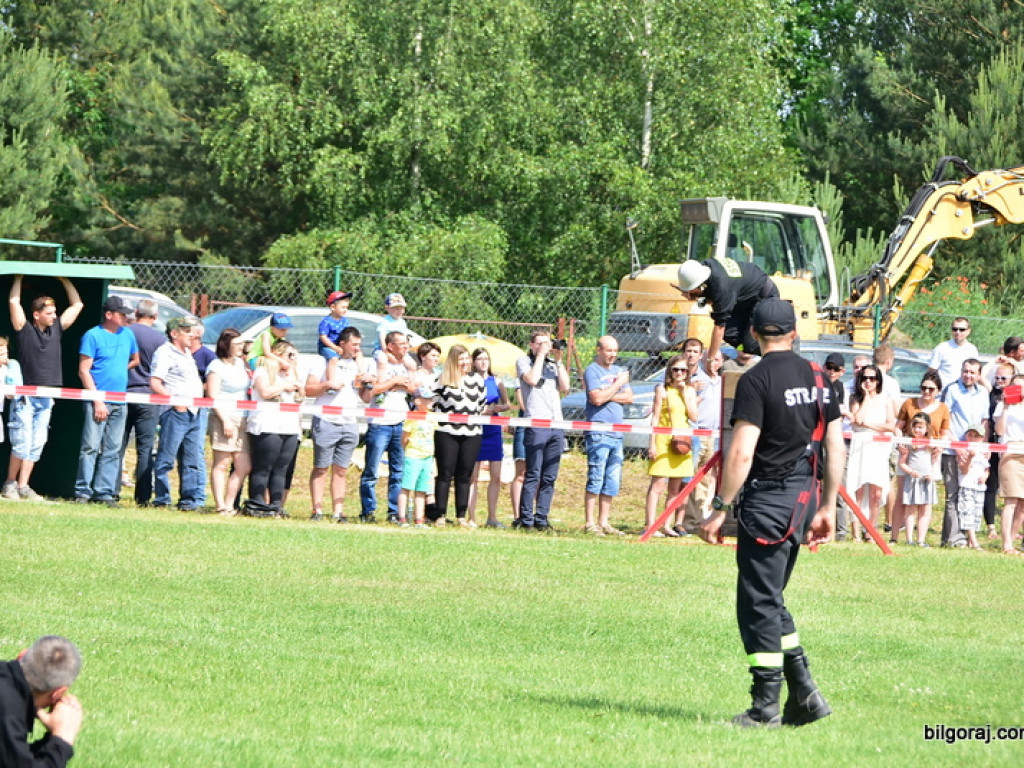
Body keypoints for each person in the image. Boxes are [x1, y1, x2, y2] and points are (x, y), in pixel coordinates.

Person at [699, 297, 844, 729]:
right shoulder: (820, 378)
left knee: (758, 603)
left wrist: (719, 508)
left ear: (755, 334)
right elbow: (835, 446)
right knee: (770, 597)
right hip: (803, 498)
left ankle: (765, 708)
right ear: (794, 333)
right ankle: (805, 695)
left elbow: (742, 453)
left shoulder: (756, 379)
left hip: (768, 501)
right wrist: (828, 506)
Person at [4, 275, 84, 500]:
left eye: (55, 312)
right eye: (49, 313)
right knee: (22, 442)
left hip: (47, 397)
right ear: (36, 314)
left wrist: (64, 280)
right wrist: (18, 277)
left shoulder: (56, 329)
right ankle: (9, 483)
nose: (54, 316)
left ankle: (24, 486)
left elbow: (77, 305)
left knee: (37, 443)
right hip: (26, 397)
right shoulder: (24, 329)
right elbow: (14, 302)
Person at [74, 295, 139, 506]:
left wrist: (119, 370)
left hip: (120, 401)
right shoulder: (92, 336)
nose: (126, 318)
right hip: (98, 400)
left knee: (113, 449)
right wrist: (97, 401)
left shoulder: (128, 334)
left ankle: (104, 492)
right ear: (109, 315)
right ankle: (83, 492)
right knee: (90, 447)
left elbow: (135, 359)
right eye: (122, 314)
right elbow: (84, 370)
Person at [306, 326, 372, 522]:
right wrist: (326, 385)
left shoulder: (360, 365)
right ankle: (317, 510)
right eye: (354, 344)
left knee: (341, 469)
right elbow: (308, 389)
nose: (357, 349)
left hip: (349, 422)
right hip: (326, 419)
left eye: (359, 345)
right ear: (342, 344)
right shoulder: (323, 361)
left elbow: (366, 398)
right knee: (321, 467)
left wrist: (369, 383)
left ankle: (338, 511)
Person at [514, 331, 570, 531]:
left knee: (549, 476)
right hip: (537, 423)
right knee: (533, 474)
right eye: (540, 343)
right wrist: (539, 355)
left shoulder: (552, 365)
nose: (545, 346)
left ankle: (542, 518)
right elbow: (531, 379)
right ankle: (526, 519)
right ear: (532, 345)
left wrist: (559, 360)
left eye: (548, 343)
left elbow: (565, 386)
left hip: (556, 424)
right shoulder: (524, 361)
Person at [150, 315, 207, 511]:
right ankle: (162, 498)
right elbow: (155, 382)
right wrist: (175, 402)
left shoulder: (187, 353)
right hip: (176, 413)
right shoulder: (165, 352)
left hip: (194, 412)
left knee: (191, 459)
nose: (192, 335)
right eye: (187, 331)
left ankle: (188, 501)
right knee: (166, 458)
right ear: (174, 334)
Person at [675, 256, 779, 363]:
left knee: (750, 344)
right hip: (743, 298)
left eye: (690, 291)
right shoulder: (705, 268)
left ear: (700, 285)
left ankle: (778, 354)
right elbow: (711, 296)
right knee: (730, 333)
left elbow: (719, 327)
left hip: (764, 295)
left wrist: (710, 359)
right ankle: (746, 349)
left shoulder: (721, 288)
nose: (688, 294)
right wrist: (696, 295)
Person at [0, 635, 83, 767]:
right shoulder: (9, 714)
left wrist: (51, 738)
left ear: (21, 655)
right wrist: (62, 738)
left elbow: (12, 759)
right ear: (57, 693)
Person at [429, 345, 487, 527]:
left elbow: (482, 404)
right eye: (461, 359)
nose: (465, 362)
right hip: (447, 431)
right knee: (445, 474)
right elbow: (433, 403)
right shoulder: (442, 379)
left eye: (467, 358)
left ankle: (461, 516)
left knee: (465, 474)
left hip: (472, 432)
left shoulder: (477, 379)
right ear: (453, 361)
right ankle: (440, 514)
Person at [245, 339, 304, 516]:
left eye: (295, 355)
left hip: (289, 426)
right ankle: (257, 503)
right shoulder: (263, 371)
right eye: (289, 355)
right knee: (264, 466)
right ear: (277, 355)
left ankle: (276, 505)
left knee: (282, 468)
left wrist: (298, 387)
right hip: (267, 424)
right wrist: (284, 386)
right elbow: (265, 392)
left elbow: (300, 398)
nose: (293, 359)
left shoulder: (291, 374)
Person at [360, 330, 414, 523]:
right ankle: (368, 510)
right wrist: (394, 382)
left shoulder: (406, 364)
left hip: (400, 422)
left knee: (398, 471)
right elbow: (371, 391)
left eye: (407, 344)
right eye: (401, 344)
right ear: (390, 346)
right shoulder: (376, 362)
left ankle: (394, 511)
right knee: (372, 471)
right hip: (379, 423)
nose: (406, 347)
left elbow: (412, 388)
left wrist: (396, 384)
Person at [582, 335, 633, 536]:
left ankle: (604, 522)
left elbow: (629, 397)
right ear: (599, 350)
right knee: (596, 475)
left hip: (617, 433)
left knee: (612, 479)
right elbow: (596, 398)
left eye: (615, 351)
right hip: (599, 431)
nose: (612, 354)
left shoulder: (618, 370)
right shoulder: (592, 371)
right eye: (609, 350)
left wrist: (607, 394)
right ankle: (589, 522)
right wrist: (617, 384)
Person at [892, 371, 951, 543]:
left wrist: (940, 446)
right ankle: (895, 537)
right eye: (924, 387)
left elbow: (945, 432)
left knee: (926, 501)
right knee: (903, 497)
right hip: (909, 455)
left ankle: (921, 539)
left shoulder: (943, 408)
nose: (926, 392)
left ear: (938, 391)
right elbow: (898, 427)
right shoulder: (909, 403)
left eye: (931, 389)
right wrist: (901, 442)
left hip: (930, 457)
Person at [644, 355, 698, 537]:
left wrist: (684, 393)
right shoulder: (662, 390)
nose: (680, 373)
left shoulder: (690, 391)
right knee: (658, 485)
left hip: (682, 441)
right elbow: (655, 417)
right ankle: (650, 524)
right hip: (663, 439)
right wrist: (652, 443)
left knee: (675, 487)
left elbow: (694, 416)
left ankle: (666, 524)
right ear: (670, 371)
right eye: (676, 369)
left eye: (683, 370)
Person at [121, 299, 167, 506]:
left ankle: (111, 491)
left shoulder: (124, 333)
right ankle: (143, 496)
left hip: (123, 393)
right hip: (148, 396)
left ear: (136, 312)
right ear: (155, 317)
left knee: (117, 446)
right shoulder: (159, 340)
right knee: (145, 448)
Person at [939, 359, 989, 547]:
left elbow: (984, 422)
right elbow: (945, 421)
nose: (968, 375)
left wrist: (985, 447)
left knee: (971, 494)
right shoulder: (952, 390)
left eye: (972, 372)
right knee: (953, 494)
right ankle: (953, 538)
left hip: (975, 452)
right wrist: (956, 446)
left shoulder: (983, 393)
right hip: (953, 450)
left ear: (979, 375)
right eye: (965, 371)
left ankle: (969, 536)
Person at [845, 363, 897, 539]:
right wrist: (866, 397)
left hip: (878, 448)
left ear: (878, 380)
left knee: (876, 493)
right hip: (860, 446)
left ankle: (870, 530)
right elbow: (857, 419)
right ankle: (856, 532)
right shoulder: (855, 399)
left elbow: (890, 426)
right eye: (865, 378)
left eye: (872, 378)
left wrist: (868, 425)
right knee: (858, 490)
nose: (868, 381)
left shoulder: (886, 400)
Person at [206, 328, 252, 515]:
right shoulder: (216, 366)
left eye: (242, 343)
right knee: (222, 463)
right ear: (226, 345)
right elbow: (213, 395)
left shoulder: (241, 364)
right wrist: (224, 420)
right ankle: (220, 505)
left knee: (244, 466)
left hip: (243, 417)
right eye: (237, 344)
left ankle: (230, 503)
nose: (241, 347)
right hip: (223, 417)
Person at [467, 348, 511, 528]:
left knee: (496, 475)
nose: (484, 362)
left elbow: (507, 404)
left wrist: (499, 408)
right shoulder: (468, 380)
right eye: (480, 359)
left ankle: (492, 517)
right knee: (473, 477)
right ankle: (471, 517)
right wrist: (481, 411)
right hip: (476, 428)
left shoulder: (497, 381)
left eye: (486, 358)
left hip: (493, 429)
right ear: (473, 362)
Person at [898, 413, 940, 547]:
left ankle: (921, 539)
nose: (917, 430)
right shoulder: (908, 443)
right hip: (913, 480)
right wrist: (911, 472)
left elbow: (935, 462)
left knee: (925, 509)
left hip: (927, 481)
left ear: (927, 429)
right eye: (915, 427)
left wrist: (932, 474)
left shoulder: (931, 444)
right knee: (910, 509)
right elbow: (902, 463)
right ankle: (909, 539)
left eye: (921, 427)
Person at [398, 387, 436, 527]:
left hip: (427, 457)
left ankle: (419, 519)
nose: (431, 401)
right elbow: (404, 438)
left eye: (431, 399)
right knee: (406, 487)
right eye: (427, 399)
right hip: (413, 456)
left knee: (422, 489)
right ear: (418, 401)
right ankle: (402, 518)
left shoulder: (432, 417)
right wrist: (408, 449)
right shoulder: (412, 417)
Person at [996, 373, 1024, 556]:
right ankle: (1006, 544)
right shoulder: (1003, 406)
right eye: (1015, 386)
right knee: (1011, 500)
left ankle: (1013, 541)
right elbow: (999, 430)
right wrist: (1006, 406)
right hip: (1011, 452)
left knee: (1022, 503)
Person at [957, 424, 989, 550]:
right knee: (968, 512)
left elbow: (987, 469)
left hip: (979, 487)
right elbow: (964, 470)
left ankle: (971, 541)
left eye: (976, 436)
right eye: (970, 434)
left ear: (982, 438)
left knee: (976, 513)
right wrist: (970, 457)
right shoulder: (963, 450)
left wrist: (985, 476)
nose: (972, 438)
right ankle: (974, 542)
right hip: (967, 485)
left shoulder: (984, 451)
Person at [928, 316, 979, 389]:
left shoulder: (972, 350)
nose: (958, 332)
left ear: (968, 331)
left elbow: (975, 373)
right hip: (943, 392)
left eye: (962, 330)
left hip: (964, 392)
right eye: (955, 329)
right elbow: (931, 372)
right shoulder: (941, 348)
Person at [0, 337, 23, 445]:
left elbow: (10, 395)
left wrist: (12, 367)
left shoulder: (6, 370)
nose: (4, 357)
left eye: (6, 353)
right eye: (1, 354)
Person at [318, 289, 353, 359]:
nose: (345, 310)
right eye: (343, 307)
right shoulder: (326, 321)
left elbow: (348, 334)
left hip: (340, 347)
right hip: (327, 347)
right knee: (334, 358)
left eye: (347, 307)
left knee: (356, 354)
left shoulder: (345, 321)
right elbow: (323, 338)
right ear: (333, 307)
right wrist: (335, 348)